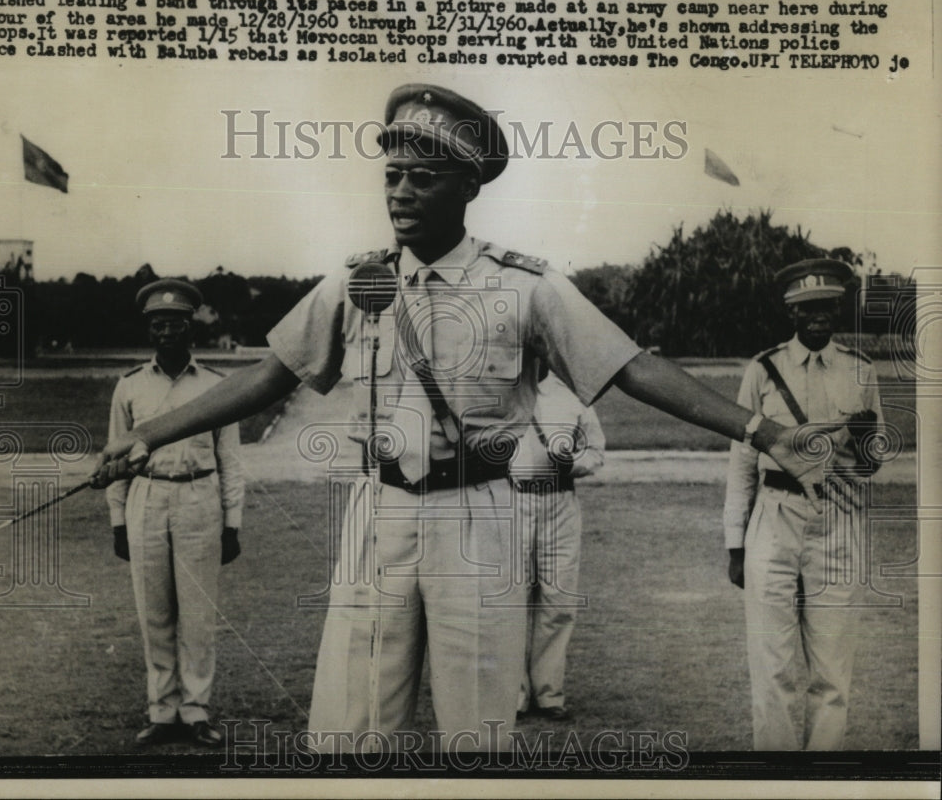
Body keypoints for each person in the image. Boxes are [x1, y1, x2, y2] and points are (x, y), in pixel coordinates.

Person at [93, 84, 840, 753]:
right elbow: (268, 377)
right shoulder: (358, 282)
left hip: (478, 513)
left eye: (423, 176)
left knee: (475, 730)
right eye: (392, 176)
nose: (402, 192)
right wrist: (146, 433)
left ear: (468, 183)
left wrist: (762, 429)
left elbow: (632, 367)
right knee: (349, 729)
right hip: (377, 511)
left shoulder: (526, 286)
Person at [722, 258, 883, 750]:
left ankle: (822, 773)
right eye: (807, 309)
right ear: (791, 314)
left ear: (838, 311)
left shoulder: (860, 370)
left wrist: (865, 438)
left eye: (827, 308)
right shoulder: (763, 370)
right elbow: (741, 461)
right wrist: (735, 544)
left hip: (837, 517)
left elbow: (871, 465)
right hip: (774, 516)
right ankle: (776, 772)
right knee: (771, 663)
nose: (818, 318)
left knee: (833, 669)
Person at [106, 279, 245, 747]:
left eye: (176, 323)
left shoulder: (215, 388)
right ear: (150, 331)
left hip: (198, 499)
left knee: (198, 612)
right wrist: (118, 521)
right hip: (147, 498)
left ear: (192, 329)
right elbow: (116, 461)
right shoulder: (128, 387)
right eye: (157, 323)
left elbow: (230, 461)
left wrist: (232, 524)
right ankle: (162, 712)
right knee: (155, 612)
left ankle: (196, 710)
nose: (166, 331)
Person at [512, 366, 605, 722]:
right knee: (512, 598)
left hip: (560, 501)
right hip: (513, 501)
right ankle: (515, 693)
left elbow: (596, 451)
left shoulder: (572, 397)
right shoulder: (501, 392)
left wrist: (573, 463)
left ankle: (549, 692)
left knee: (558, 598)